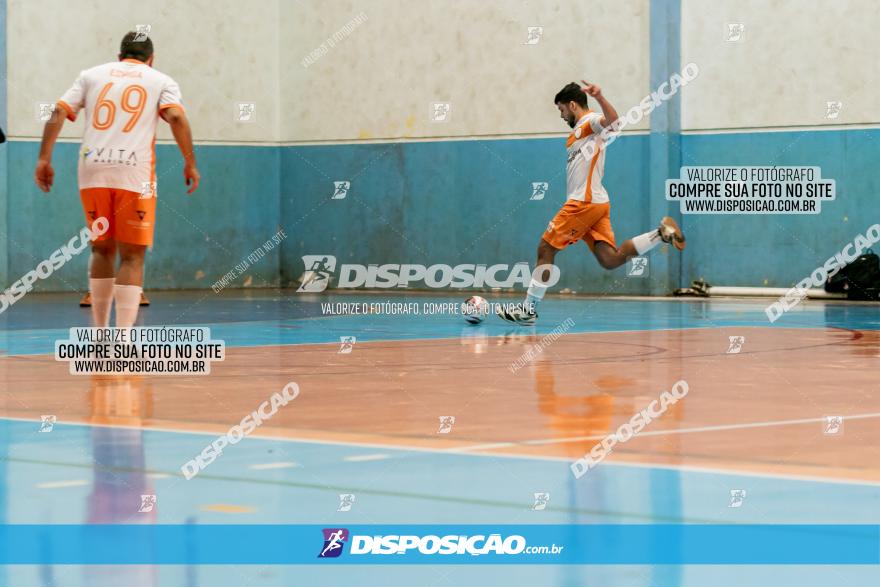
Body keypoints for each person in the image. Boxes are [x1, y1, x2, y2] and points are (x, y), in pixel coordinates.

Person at [35, 31, 199, 327]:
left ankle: (99, 334)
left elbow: (58, 111)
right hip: (134, 173)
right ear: (151, 58)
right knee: (132, 256)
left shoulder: (91, 75)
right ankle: (122, 340)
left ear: (119, 55)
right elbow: (175, 117)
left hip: (92, 169)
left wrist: (44, 158)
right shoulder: (160, 79)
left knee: (101, 248)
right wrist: (190, 163)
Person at [497, 81, 685, 326]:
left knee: (546, 249)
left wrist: (600, 97)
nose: (562, 116)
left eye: (562, 110)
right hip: (596, 203)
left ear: (573, 105)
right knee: (610, 260)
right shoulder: (576, 135)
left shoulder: (590, 122)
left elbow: (615, 123)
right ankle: (660, 235)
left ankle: (528, 310)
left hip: (583, 202)